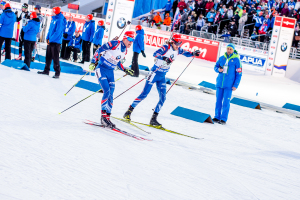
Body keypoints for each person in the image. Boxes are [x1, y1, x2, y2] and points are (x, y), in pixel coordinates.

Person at [123, 34, 200, 127]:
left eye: (180, 43)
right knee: (144, 94)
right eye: (176, 43)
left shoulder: (178, 49)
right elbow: (155, 54)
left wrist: (193, 53)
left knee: (163, 98)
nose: (178, 45)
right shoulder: (166, 47)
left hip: (162, 76)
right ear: (172, 42)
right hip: (154, 73)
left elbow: (186, 53)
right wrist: (164, 58)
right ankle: (128, 112)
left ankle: (153, 119)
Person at [88, 31, 135, 128]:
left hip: (110, 72)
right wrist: (93, 62)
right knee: (106, 90)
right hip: (101, 68)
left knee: (111, 93)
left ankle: (108, 117)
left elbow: (117, 61)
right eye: (130, 39)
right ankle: (103, 117)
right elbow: (99, 50)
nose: (131, 42)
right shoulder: (115, 43)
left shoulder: (125, 50)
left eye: (132, 40)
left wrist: (125, 69)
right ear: (125, 38)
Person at [212, 43, 242, 125]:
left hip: (229, 85)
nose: (229, 50)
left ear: (233, 50)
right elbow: (215, 67)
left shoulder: (236, 60)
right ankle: (217, 117)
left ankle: (223, 118)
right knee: (218, 101)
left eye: (230, 49)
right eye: (228, 49)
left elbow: (239, 74)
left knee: (226, 102)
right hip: (220, 83)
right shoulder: (222, 58)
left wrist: (236, 85)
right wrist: (218, 70)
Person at [37, 7, 66, 79]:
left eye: (53, 11)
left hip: (56, 42)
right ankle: (46, 70)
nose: (51, 12)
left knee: (55, 58)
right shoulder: (54, 18)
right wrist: (47, 37)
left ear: (55, 12)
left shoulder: (60, 20)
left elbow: (58, 32)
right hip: (50, 41)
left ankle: (57, 72)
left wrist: (51, 39)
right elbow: (50, 30)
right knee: (48, 56)